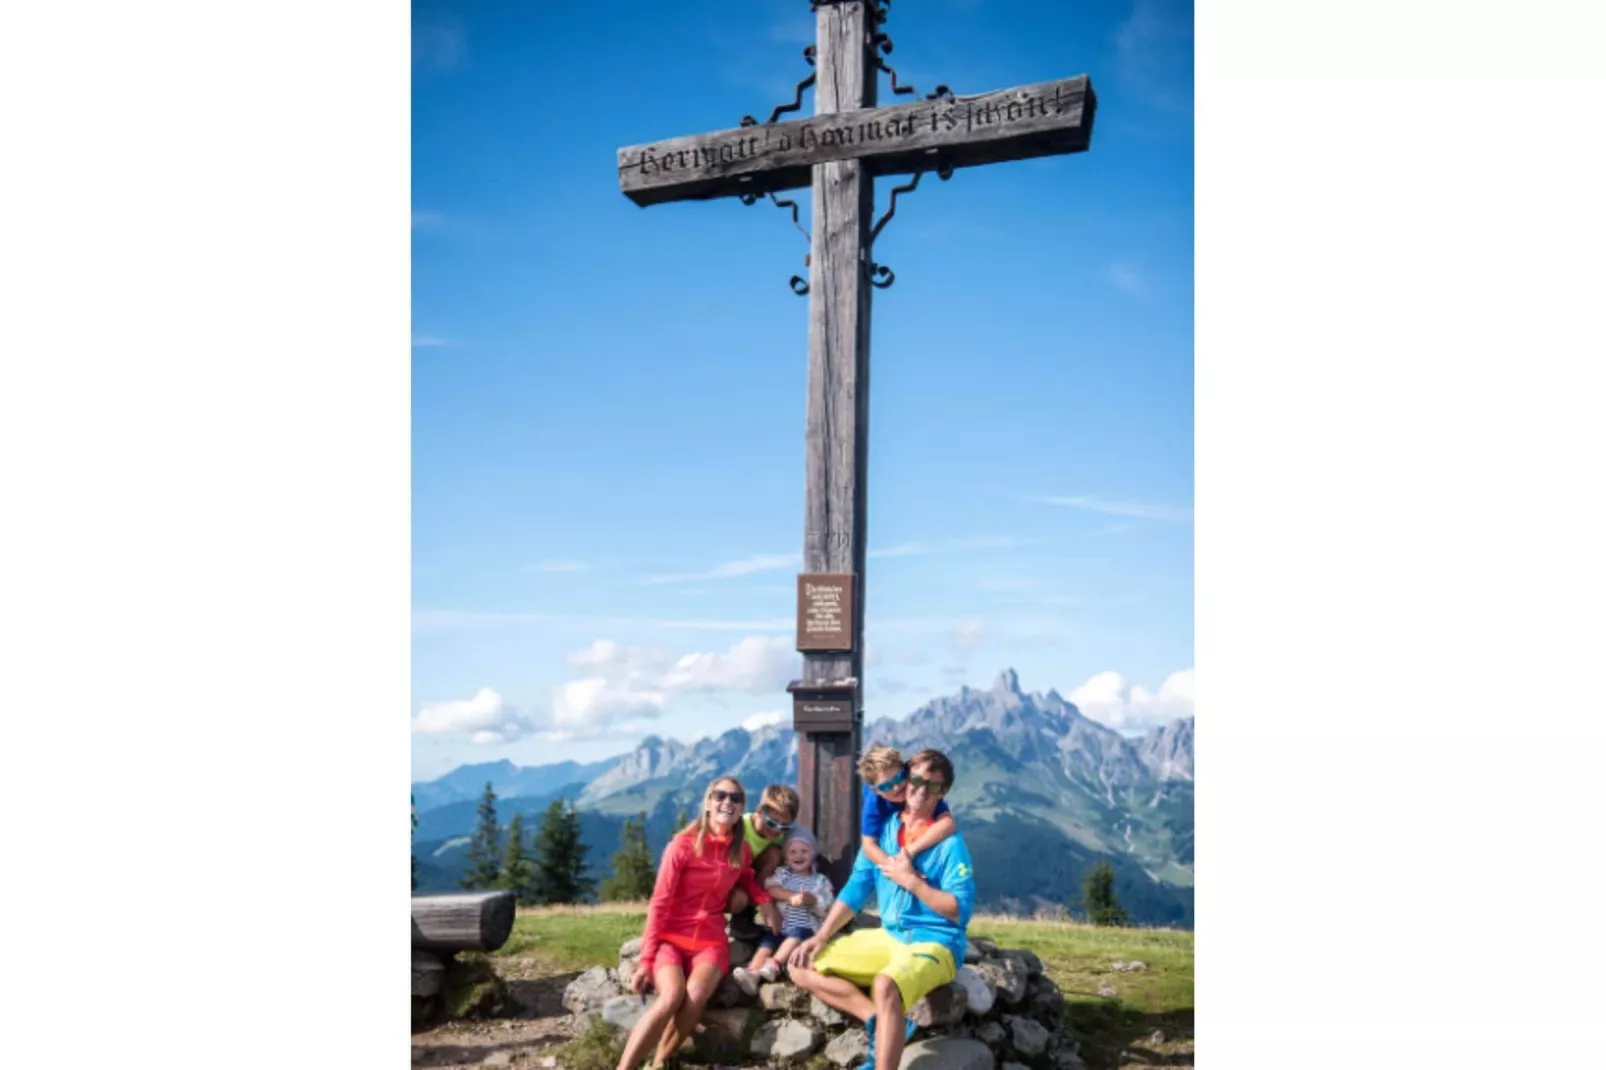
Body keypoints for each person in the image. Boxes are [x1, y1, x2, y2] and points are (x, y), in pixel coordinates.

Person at [788, 750, 976, 1070]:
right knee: (801, 964)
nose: (919, 790)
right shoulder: (884, 831)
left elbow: (959, 911)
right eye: (915, 779)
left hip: (936, 942)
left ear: (943, 793)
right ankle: (883, 1021)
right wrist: (821, 935)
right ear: (906, 777)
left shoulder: (950, 843)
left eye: (932, 786)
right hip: (891, 935)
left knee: (886, 984)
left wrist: (912, 883)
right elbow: (857, 888)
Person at [617, 776, 784, 1070]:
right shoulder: (681, 846)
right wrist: (646, 960)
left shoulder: (739, 850)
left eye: (735, 798)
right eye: (720, 796)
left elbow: (745, 876)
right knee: (670, 997)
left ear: (742, 809)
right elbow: (659, 903)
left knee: (695, 997)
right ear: (708, 803)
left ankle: (659, 1062)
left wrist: (764, 900)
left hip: (710, 941)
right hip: (671, 937)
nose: (727, 802)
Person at [730, 826, 835, 994]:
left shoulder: (820, 881)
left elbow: (828, 907)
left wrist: (812, 900)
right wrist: (790, 896)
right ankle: (753, 973)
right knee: (767, 943)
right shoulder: (783, 874)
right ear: (785, 857)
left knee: (796, 935)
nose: (798, 855)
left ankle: (775, 964)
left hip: (805, 930)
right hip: (782, 925)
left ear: (813, 854)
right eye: (792, 852)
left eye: (804, 851)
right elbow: (770, 888)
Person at [857, 744, 957, 869]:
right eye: (886, 786)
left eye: (899, 777)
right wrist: (897, 869)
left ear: (906, 770)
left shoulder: (921, 789)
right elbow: (869, 846)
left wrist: (910, 851)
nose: (897, 787)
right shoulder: (874, 801)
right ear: (876, 790)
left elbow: (948, 824)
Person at [726, 783, 801, 939]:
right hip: (729, 882)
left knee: (775, 855)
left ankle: (748, 916)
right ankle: (734, 919)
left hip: (750, 882)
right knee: (739, 900)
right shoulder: (739, 828)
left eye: (784, 827)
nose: (776, 830)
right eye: (772, 823)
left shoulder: (779, 837)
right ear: (759, 811)